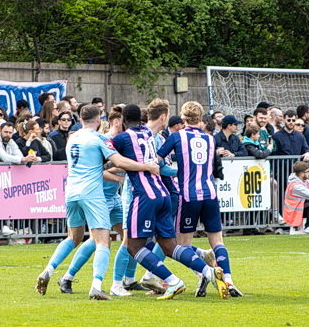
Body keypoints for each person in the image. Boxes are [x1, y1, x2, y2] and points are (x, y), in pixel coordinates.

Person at [35, 104, 159, 300]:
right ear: (100, 119)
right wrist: (146, 166)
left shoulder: (72, 137)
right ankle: (97, 286)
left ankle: (48, 271)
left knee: (73, 238)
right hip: (93, 194)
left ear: (80, 119)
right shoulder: (100, 138)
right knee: (102, 241)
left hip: (72, 192)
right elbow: (117, 162)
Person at [113, 104, 229, 300]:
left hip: (144, 195)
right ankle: (208, 271)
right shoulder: (149, 135)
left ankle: (171, 281)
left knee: (133, 245)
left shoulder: (123, 137)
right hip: (165, 193)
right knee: (169, 245)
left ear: (122, 121)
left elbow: (111, 158)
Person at [157, 101, 239, 298]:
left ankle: (205, 273)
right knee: (217, 241)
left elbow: (157, 161)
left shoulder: (176, 136)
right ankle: (228, 279)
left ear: (183, 119)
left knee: (182, 244)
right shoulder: (211, 139)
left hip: (188, 195)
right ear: (202, 119)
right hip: (210, 193)